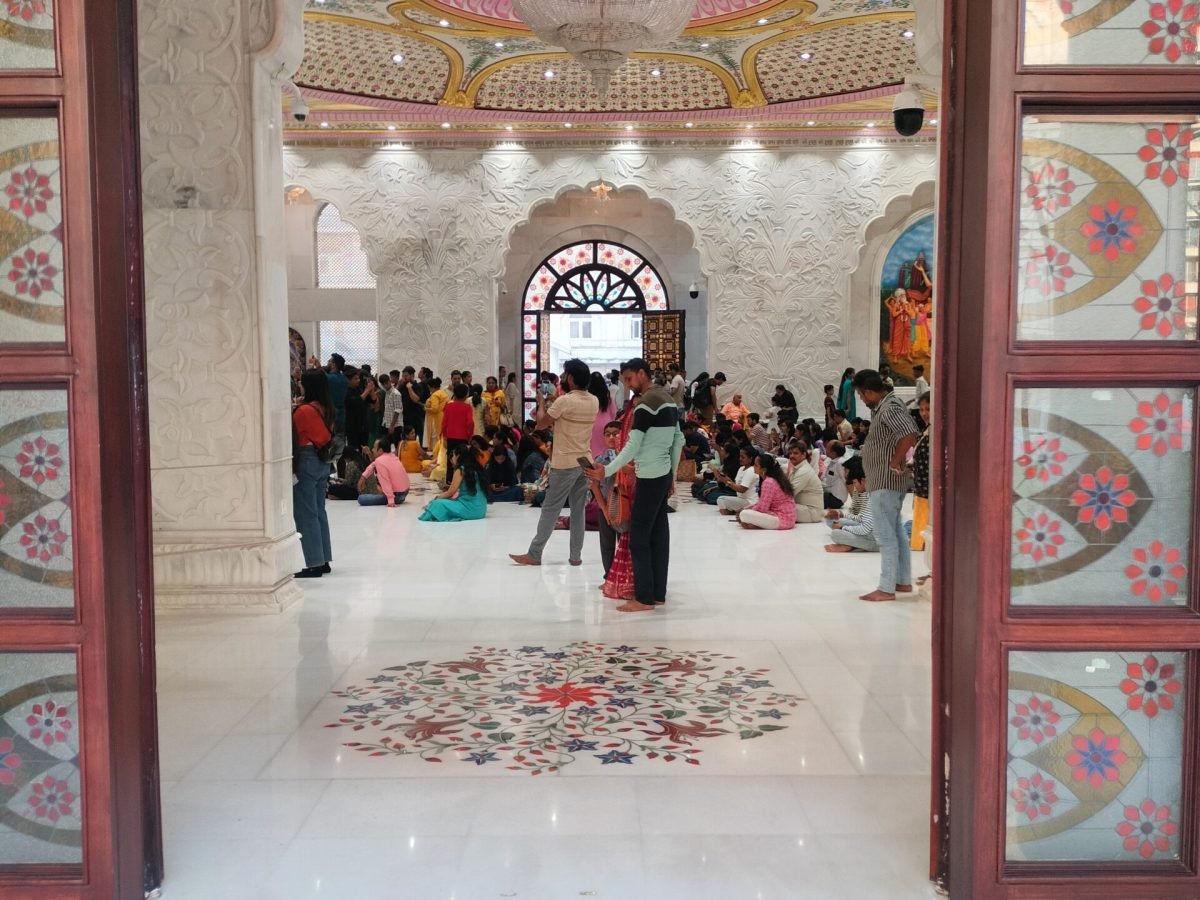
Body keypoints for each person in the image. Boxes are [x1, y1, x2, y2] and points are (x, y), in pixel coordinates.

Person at [586, 358, 683, 612]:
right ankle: (657, 594)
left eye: (629, 379)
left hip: (648, 475)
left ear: (642, 374)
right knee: (659, 535)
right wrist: (671, 475)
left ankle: (644, 598)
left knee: (639, 536)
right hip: (662, 474)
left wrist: (606, 469)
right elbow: (678, 440)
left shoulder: (645, 405)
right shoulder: (668, 400)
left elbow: (633, 445)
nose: (628, 386)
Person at [510, 358, 599, 567]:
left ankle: (535, 553)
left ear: (571, 378)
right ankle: (575, 556)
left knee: (551, 508)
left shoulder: (565, 401)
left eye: (565, 375)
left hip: (565, 461)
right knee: (578, 509)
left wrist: (541, 401)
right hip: (585, 460)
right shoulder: (593, 400)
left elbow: (541, 424)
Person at [852, 369, 918, 601]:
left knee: (885, 535)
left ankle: (886, 587)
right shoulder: (887, 405)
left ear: (870, 392)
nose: (861, 399)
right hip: (885, 480)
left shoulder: (889, 407)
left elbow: (909, 434)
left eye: (861, 395)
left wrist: (895, 460)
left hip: (885, 479)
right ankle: (902, 581)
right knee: (897, 532)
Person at [292, 368, 335, 578]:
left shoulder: (303, 411)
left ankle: (314, 562)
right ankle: (324, 559)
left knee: (305, 513)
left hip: (307, 460)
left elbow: (293, 434)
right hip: (322, 460)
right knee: (319, 511)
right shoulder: (327, 408)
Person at [419, 439, 489, 522]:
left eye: (453, 455)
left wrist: (434, 500)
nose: (452, 458)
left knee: (437, 504)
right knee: (447, 501)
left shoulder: (460, 470)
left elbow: (450, 493)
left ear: (458, 456)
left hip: (469, 508)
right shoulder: (478, 468)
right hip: (481, 510)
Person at [824, 456, 877, 552]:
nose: (844, 473)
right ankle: (854, 544)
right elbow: (858, 515)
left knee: (836, 534)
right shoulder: (862, 490)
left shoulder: (872, 496)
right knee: (832, 522)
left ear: (863, 480)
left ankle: (853, 546)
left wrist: (843, 527)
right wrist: (841, 515)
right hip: (867, 528)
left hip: (875, 539)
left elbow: (865, 528)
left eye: (846, 470)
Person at [737, 453, 796, 531]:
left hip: (781, 520)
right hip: (788, 519)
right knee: (744, 512)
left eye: (755, 465)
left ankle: (757, 525)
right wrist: (745, 508)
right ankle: (756, 523)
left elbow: (762, 509)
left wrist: (746, 511)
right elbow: (762, 503)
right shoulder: (775, 478)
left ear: (763, 470)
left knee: (744, 515)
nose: (753, 467)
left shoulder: (769, 482)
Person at [357, 436, 410, 507]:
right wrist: (363, 477)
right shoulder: (393, 456)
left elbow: (385, 481)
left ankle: (391, 497)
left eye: (374, 448)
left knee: (361, 499)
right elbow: (373, 465)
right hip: (405, 493)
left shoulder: (380, 461)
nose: (372, 450)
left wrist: (391, 500)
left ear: (380, 450)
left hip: (396, 497)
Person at [911, 392, 932, 553]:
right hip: (921, 488)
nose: (924, 413)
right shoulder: (928, 430)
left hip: (929, 492)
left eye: (928, 409)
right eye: (922, 409)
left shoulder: (939, 433)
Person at [441, 382, 475, 480]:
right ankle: (461, 481)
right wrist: (470, 436)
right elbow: (470, 423)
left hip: (451, 437)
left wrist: (445, 436)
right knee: (463, 460)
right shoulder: (467, 407)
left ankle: (449, 480)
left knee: (450, 459)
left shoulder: (449, 406)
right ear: (466, 395)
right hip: (463, 438)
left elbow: (444, 423)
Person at [785, 441, 824, 523]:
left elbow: (788, 494)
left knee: (778, 506)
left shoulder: (804, 471)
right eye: (790, 453)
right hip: (803, 508)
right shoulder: (798, 468)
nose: (792, 456)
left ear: (803, 455)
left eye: (795, 453)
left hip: (811, 512)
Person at [716, 445, 760, 515]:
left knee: (721, 499)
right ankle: (736, 510)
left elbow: (742, 489)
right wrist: (726, 479)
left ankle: (733, 511)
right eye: (739, 456)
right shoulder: (741, 468)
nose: (740, 459)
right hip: (741, 499)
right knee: (720, 499)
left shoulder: (751, 470)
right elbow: (736, 485)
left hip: (750, 501)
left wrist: (727, 482)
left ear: (750, 459)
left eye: (743, 457)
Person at [325, 353, 349, 472]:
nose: (328, 363)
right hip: (341, 414)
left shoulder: (329, 378)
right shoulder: (344, 379)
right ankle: (341, 472)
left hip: (330, 414)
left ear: (334, 364)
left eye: (330, 361)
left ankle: (328, 467)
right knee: (340, 445)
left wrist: (318, 367)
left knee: (328, 442)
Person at [587, 370, 615, 460]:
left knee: (593, 450)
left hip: (591, 425)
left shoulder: (588, 396)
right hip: (607, 424)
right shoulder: (607, 395)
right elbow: (613, 412)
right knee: (606, 448)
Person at [400, 366, 428, 447]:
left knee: (412, 439)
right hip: (404, 417)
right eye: (403, 376)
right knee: (403, 439)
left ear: (412, 375)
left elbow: (415, 399)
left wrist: (409, 389)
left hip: (415, 417)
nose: (404, 378)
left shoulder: (417, 386)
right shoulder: (402, 386)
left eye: (406, 376)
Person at [821, 439, 850, 509]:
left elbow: (848, 482)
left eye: (827, 448)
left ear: (833, 453)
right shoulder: (832, 461)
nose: (825, 449)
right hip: (829, 493)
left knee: (810, 498)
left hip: (836, 498)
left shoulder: (840, 464)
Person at [424, 377, 448, 449]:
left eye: (429, 387)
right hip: (442, 416)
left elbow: (435, 409)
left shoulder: (435, 395)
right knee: (441, 437)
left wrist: (426, 409)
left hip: (435, 419)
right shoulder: (443, 392)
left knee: (435, 437)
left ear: (432, 387)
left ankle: (435, 454)